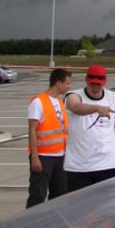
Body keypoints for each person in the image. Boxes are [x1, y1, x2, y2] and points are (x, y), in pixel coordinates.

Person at [64, 65, 115, 191]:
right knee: (79, 207)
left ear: (104, 82)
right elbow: (76, 107)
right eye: (92, 84)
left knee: (106, 207)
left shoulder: (114, 98)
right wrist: (96, 108)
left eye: (99, 84)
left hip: (107, 165)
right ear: (86, 80)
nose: (95, 87)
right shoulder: (73, 95)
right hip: (78, 167)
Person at [26, 67, 71, 208]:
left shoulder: (59, 102)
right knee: (38, 194)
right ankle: (30, 224)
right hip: (43, 157)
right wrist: (35, 157)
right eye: (67, 83)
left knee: (60, 193)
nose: (69, 87)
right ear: (58, 83)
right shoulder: (38, 102)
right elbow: (32, 130)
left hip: (59, 156)